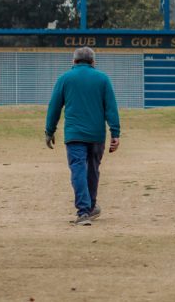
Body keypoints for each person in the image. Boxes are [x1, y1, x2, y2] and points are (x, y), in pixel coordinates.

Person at [45, 47, 121, 225]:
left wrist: (49, 131)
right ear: (93, 62)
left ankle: (84, 211)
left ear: (74, 61)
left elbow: (54, 107)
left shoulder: (64, 79)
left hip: (74, 135)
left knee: (78, 169)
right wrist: (115, 133)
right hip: (97, 135)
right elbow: (111, 107)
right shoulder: (103, 79)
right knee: (93, 169)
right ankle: (91, 205)